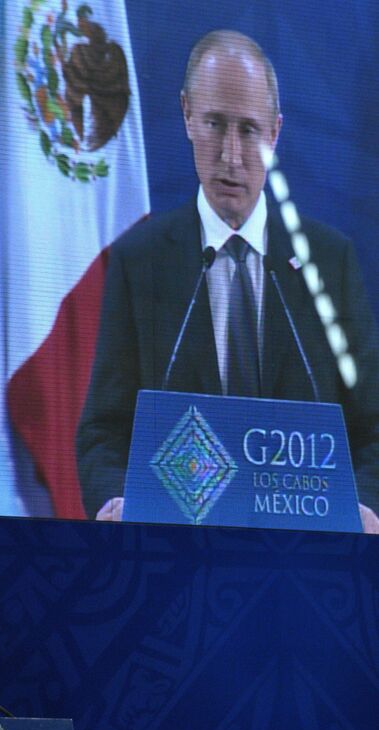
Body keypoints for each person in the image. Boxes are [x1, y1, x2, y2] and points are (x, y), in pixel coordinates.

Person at [76, 30, 379, 531]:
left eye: (249, 131)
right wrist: (112, 502)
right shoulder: (140, 262)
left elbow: (373, 425)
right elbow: (103, 433)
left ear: (276, 133)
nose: (232, 156)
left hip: (304, 562)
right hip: (174, 561)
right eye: (215, 124)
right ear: (187, 114)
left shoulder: (330, 261)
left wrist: (368, 508)